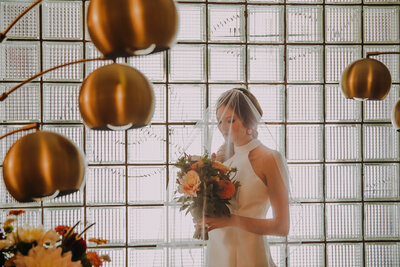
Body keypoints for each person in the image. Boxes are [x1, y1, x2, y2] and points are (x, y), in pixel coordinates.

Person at [199, 88, 290, 267]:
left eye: (230, 120)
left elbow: (282, 227)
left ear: (250, 121)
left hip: (250, 255)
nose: (223, 128)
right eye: (219, 121)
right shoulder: (222, 163)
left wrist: (231, 220)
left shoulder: (269, 158)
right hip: (220, 254)